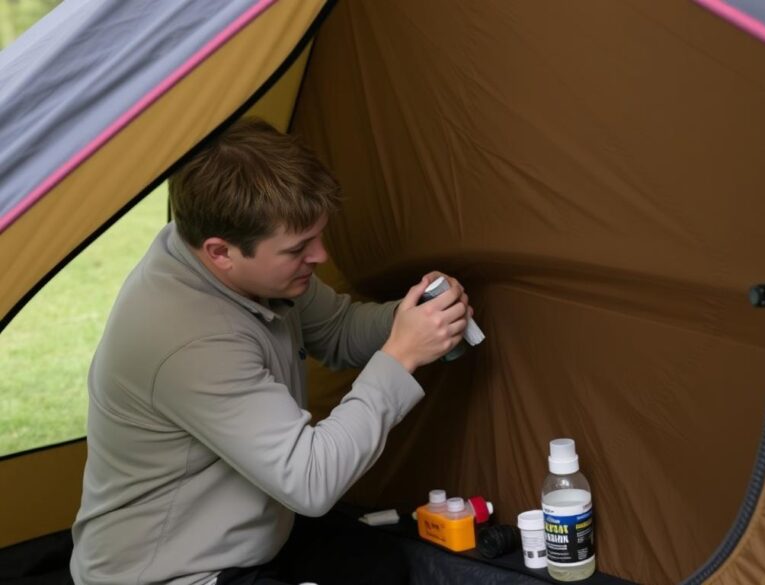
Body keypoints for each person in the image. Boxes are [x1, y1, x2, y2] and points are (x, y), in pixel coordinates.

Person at [69, 118, 472, 585]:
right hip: (175, 574)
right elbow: (311, 480)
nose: (320, 256)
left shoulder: (234, 261)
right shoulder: (188, 341)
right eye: (299, 248)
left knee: (382, 566)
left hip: (256, 536)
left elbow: (339, 330)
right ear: (221, 252)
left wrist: (420, 317)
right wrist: (401, 355)